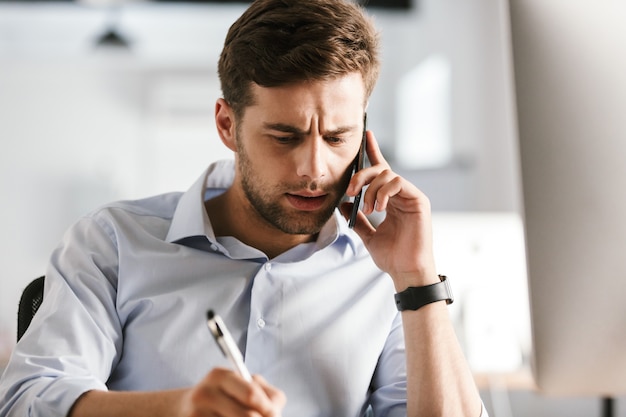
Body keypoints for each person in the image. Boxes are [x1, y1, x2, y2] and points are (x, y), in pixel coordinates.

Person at [0, 0, 488, 416]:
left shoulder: (383, 276)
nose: (314, 169)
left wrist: (417, 279)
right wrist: (179, 409)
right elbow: (29, 398)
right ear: (227, 124)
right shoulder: (113, 242)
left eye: (338, 137)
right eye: (285, 136)